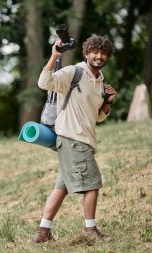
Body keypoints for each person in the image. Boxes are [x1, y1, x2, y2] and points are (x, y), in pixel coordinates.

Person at [34, 34, 116, 243]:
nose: (99, 56)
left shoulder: (99, 80)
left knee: (61, 188)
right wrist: (54, 56)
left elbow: (97, 116)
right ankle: (91, 231)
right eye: (95, 52)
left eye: (103, 53)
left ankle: (43, 233)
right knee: (92, 183)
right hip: (72, 138)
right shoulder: (74, 72)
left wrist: (108, 102)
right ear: (87, 53)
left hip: (82, 139)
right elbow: (45, 82)